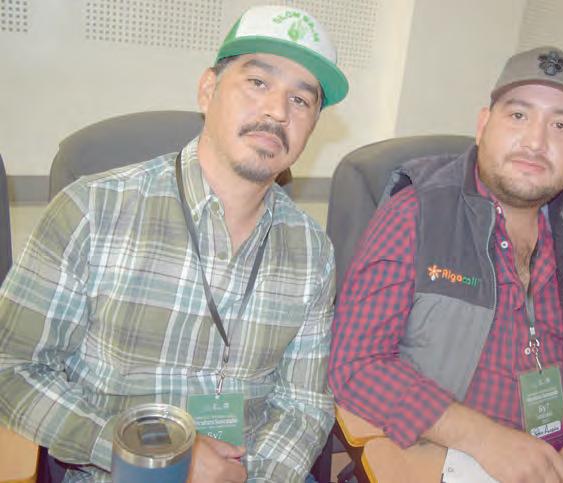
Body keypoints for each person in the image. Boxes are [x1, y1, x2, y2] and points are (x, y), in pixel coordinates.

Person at [0, 5, 347, 482]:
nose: (277, 111)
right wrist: (156, 457)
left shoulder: (312, 252)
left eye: (301, 100)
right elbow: (12, 369)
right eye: (258, 82)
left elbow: (303, 403)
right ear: (208, 89)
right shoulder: (91, 210)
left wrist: (253, 477)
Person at [330, 46, 563, 483]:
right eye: (518, 115)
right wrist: (486, 439)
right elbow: (355, 363)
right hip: (449, 457)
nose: (535, 142)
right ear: (482, 125)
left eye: (560, 125)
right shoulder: (417, 215)